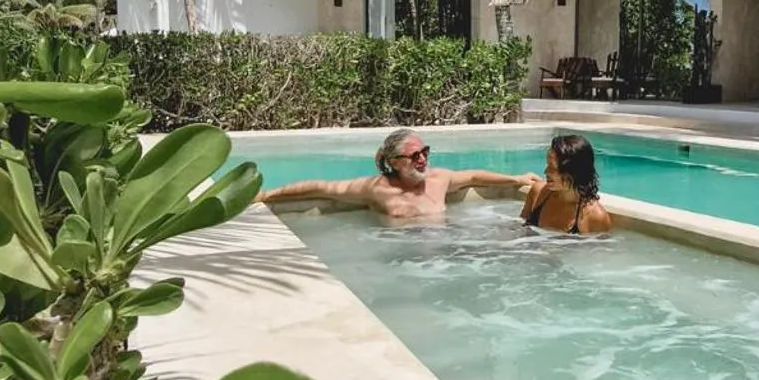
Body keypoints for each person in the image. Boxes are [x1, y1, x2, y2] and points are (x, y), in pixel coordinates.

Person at [258, 128, 537, 222]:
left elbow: (476, 176)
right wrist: (266, 195)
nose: (423, 159)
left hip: (447, 255)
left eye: (425, 151)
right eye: (415, 155)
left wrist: (516, 179)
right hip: (400, 256)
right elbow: (320, 187)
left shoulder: (439, 179)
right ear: (394, 162)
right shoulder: (377, 188)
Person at [520, 132, 611, 236]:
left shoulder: (595, 217)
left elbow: (597, 250)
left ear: (573, 172)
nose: (545, 172)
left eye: (552, 168)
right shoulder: (538, 192)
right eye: (547, 165)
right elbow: (520, 232)